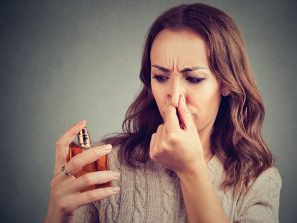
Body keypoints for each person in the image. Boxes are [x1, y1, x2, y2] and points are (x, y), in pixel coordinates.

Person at [44, 3, 282, 223]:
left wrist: (191, 170)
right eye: (160, 77)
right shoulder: (107, 166)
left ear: (227, 84)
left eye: (193, 78)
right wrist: (57, 213)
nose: (174, 96)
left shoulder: (258, 180)